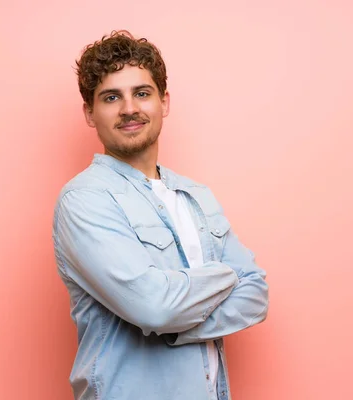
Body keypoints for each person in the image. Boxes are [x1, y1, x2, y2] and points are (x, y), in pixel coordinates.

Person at [52, 30, 269, 400]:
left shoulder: (195, 195)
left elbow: (256, 294)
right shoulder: (85, 200)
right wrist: (227, 275)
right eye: (110, 97)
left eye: (141, 93)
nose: (129, 109)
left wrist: (175, 325)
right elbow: (153, 308)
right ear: (90, 113)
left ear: (163, 102)